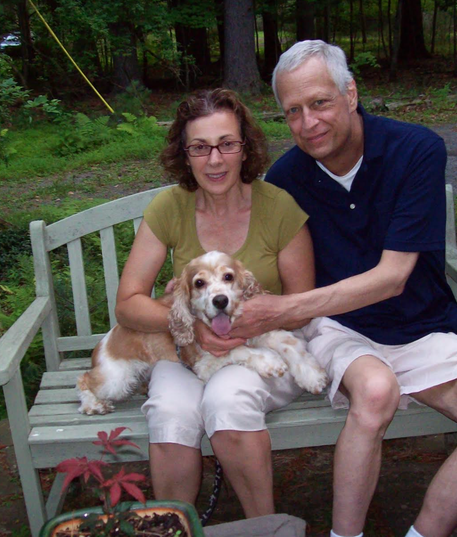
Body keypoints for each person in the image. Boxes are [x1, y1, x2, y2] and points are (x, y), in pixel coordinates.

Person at [228, 40, 457, 537]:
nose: (308, 123)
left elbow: (393, 278)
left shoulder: (415, 150)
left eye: (319, 103)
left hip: (424, 327)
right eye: (292, 112)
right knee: (376, 389)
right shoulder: (285, 180)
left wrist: (282, 309)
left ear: (350, 92)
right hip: (341, 329)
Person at [114, 88, 315, 517]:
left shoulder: (279, 207)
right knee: (169, 408)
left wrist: (246, 327)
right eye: (200, 148)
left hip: (265, 349)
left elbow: (302, 304)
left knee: (227, 397)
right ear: (184, 155)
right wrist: (192, 326)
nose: (215, 159)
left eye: (227, 144)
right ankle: (173, 525)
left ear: (246, 148)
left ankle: (262, 526)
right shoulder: (169, 207)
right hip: (188, 348)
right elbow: (128, 303)